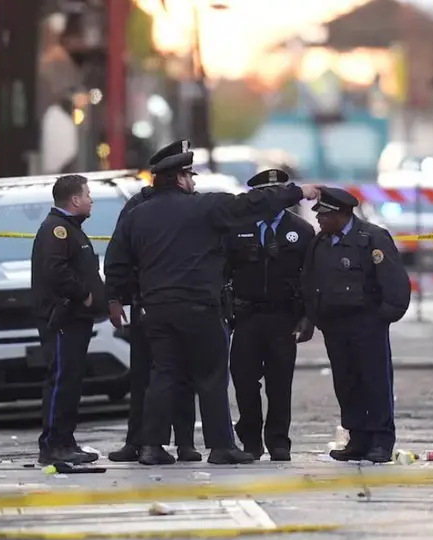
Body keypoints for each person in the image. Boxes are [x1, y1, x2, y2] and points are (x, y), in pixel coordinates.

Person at [105, 141, 320, 465]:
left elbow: (118, 259)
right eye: (189, 175)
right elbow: (252, 203)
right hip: (199, 307)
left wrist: (116, 297)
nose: (193, 181)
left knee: (164, 375)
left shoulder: (137, 215)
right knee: (210, 376)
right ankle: (221, 446)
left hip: (158, 308)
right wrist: (297, 192)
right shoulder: (204, 207)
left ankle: (151, 446)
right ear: (179, 178)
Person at [301, 187, 411, 464]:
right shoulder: (320, 243)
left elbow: (394, 280)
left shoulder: (371, 238)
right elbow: (310, 281)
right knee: (346, 382)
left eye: (324, 215)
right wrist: (315, 317)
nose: (319, 220)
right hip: (335, 325)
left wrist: (383, 316)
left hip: (366, 323)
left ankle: (381, 440)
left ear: (342, 214)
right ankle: (358, 438)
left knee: (374, 381)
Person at [107, 141, 199, 463]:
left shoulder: (194, 204)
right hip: (145, 301)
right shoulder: (137, 206)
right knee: (144, 375)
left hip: (182, 302)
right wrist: (116, 297)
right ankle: (138, 441)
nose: (191, 181)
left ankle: (185, 442)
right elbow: (119, 254)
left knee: (183, 374)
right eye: (186, 173)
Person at [225, 169, 316, 462]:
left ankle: (279, 441)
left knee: (280, 382)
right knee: (244, 381)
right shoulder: (238, 227)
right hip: (247, 316)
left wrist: (307, 317)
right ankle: (250, 440)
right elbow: (223, 271)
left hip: (283, 317)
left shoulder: (301, 230)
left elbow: (309, 278)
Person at [30, 174, 107, 466]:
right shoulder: (58, 230)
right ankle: (52, 445)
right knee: (62, 380)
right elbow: (56, 270)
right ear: (74, 200)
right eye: (87, 195)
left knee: (71, 381)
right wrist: (84, 294)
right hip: (64, 317)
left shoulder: (69, 228)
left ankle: (65, 440)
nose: (91, 200)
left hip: (75, 319)